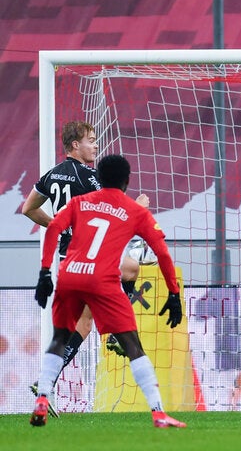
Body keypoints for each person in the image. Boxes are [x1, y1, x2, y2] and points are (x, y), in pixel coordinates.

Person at [31, 154, 185, 428]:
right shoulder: (135, 211)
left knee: (59, 337)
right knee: (132, 345)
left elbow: (54, 226)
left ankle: (42, 398)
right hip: (103, 280)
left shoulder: (79, 202)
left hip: (70, 274)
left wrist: (45, 272)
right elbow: (161, 253)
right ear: (127, 181)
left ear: (98, 179)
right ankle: (159, 413)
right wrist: (173, 293)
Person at [20, 121, 148, 412]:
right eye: (91, 140)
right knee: (129, 271)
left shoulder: (51, 175)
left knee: (85, 321)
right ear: (74, 145)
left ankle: (46, 382)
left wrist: (58, 226)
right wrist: (140, 205)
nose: (96, 145)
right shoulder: (90, 177)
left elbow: (28, 208)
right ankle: (114, 333)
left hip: (68, 257)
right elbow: (119, 211)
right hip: (89, 256)